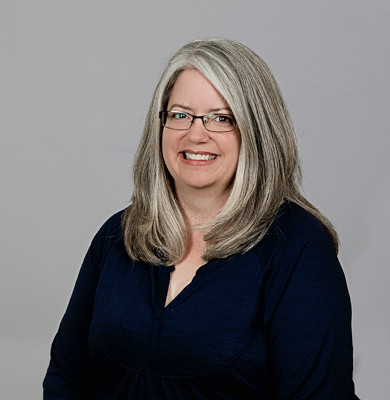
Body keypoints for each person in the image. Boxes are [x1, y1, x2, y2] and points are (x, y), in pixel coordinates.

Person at [43, 38, 358, 399]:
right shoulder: (119, 235)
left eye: (221, 118)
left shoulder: (298, 250)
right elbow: (66, 378)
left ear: (257, 131)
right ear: (160, 124)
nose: (196, 135)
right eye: (180, 115)